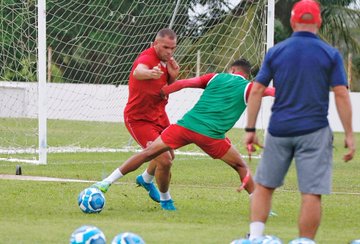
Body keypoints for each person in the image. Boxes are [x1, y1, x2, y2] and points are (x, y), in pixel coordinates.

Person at [92, 59, 275, 210]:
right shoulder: (250, 87)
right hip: (211, 136)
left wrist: (163, 91)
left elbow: (183, 83)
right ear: (246, 74)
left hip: (185, 126)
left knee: (148, 153)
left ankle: (106, 182)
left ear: (232, 69)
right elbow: (272, 92)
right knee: (240, 165)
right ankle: (258, 205)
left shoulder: (215, 77)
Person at [242, 0, 355, 242]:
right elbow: (342, 94)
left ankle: (256, 238)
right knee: (311, 193)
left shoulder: (276, 52)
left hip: (279, 129)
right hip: (314, 130)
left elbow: (256, 90)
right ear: (319, 21)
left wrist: (250, 129)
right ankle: (305, 241)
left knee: (264, 186)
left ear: (292, 22)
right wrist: (348, 134)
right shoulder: (330, 54)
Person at [123, 28, 180, 203]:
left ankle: (146, 179)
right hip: (139, 119)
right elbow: (138, 71)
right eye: (165, 47)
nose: (169, 52)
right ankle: (166, 200)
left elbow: (165, 89)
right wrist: (150, 73)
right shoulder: (148, 57)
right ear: (155, 44)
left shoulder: (168, 62)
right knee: (164, 160)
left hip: (159, 115)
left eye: (173, 48)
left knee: (170, 154)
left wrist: (173, 77)